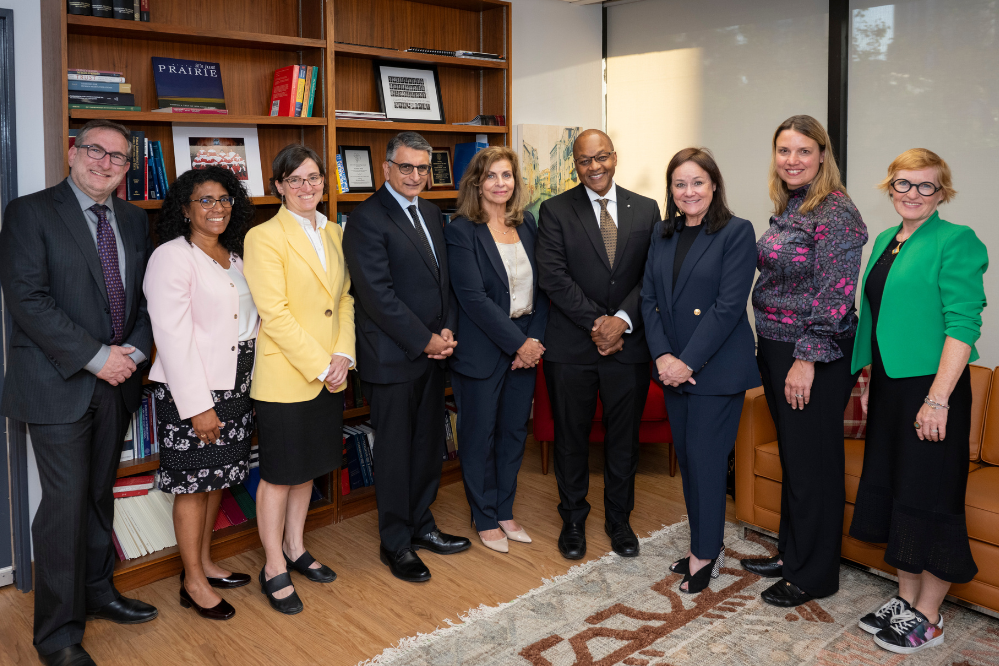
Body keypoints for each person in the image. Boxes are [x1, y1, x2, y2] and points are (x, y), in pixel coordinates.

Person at [0, 119, 157, 666]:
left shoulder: (136, 222)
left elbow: (144, 301)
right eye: (95, 150)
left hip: (117, 382)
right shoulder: (29, 213)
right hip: (56, 383)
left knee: (97, 496)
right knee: (63, 508)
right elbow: (28, 300)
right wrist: (98, 358)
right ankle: (58, 636)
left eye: (118, 157)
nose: (105, 163)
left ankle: (98, 592)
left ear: (127, 168)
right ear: (72, 153)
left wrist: (132, 355)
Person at [849, 149, 987, 654]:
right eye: (903, 184)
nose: (913, 194)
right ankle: (906, 601)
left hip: (932, 389)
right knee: (897, 491)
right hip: (890, 387)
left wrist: (937, 401)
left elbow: (963, 325)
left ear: (941, 193)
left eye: (926, 186)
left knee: (931, 497)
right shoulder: (888, 240)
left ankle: (929, 617)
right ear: (890, 187)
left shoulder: (957, 240)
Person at [741, 115, 868, 607]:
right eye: (784, 151)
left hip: (812, 353)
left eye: (803, 151)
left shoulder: (836, 212)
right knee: (796, 458)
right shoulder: (794, 204)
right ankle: (792, 553)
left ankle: (814, 575)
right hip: (775, 346)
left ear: (822, 156)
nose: (792, 160)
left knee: (814, 463)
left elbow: (836, 294)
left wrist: (806, 359)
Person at [342, 131, 470, 583]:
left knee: (427, 445)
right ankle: (395, 543)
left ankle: (422, 526)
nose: (415, 176)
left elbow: (445, 282)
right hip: (394, 357)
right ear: (386, 169)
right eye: (406, 167)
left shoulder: (434, 212)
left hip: (434, 353)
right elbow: (377, 296)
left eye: (422, 168)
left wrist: (448, 328)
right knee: (396, 453)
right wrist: (425, 339)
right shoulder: (365, 219)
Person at [536, 129, 661, 561]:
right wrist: (598, 324)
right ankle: (572, 519)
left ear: (614, 156)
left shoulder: (646, 209)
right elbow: (552, 276)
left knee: (622, 440)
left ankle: (619, 520)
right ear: (576, 165)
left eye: (602, 157)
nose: (595, 167)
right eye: (585, 161)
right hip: (572, 348)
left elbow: (654, 274)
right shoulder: (553, 211)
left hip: (629, 347)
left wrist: (621, 321)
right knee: (571, 439)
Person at [640, 148, 759, 593]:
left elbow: (728, 307)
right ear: (671, 190)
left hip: (714, 369)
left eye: (697, 183)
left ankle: (705, 553)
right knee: (690, 462)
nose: (688, 192)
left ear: (714, 186)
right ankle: (703, 541)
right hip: (672, 368)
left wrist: (686, 361)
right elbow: (649, 300)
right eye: (679, 184)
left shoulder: (736, 232)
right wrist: (663, 358)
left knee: (706, 462)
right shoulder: (662, 232)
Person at [243, 145, 355, 614]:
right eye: (295, 180)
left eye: (313, 179)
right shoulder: (263, 237)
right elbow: (275, 313)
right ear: (279, 187)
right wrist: (320, 363)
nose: (306, 187)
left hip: (331, 370)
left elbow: (346, 297)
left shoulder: (336, 232)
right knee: (279, 474)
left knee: (308, 468)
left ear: (324, 184)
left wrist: (343, 355)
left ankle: (295, 546)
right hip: (288, 374)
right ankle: (272, 564)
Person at [143, 166, 257, 621]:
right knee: (192, 485)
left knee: (217, 480)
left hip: (238, 383)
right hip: (196, 388)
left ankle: (206, 562)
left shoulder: (236, 254)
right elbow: (171, 337)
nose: (217, 207)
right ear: (186, 209)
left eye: (224, 199)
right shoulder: (172, 256)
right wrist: (198, 407)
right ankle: (191, 580)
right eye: (205, 200)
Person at [444, 147, 549, 553]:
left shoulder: (528, 225)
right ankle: (483, 514)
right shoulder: (461, 230)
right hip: (483, 348)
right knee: (479, 435)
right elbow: (472, 298)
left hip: (526, 345)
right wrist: (519, 343)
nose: (500, 183)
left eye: (507, 175)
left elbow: (542, 290)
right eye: (491, 176)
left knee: (511, 434)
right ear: (477, 183)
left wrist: (534, 343)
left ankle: (504, 509)